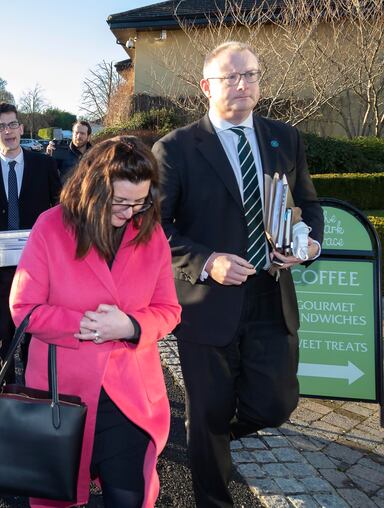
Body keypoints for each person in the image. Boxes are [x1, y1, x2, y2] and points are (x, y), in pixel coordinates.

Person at [153, 41, 323, 507]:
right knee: (208, 411)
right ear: (207, 86)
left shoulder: (284, 138)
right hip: (208, 303)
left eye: (251, 74)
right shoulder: (176, 148)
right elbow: (154, 230)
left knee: (276, 403)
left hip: (271, 294)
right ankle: (211, 488)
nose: (244, 84)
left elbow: (307, 203)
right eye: (232, 77)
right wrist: (208, 262)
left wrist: (310, 242)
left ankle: (211, 437)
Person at [11, 137, 181, 508]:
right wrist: (88, 327)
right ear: (94, 188)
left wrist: (131, 327)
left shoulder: (151, 235)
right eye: (120, 201)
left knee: (131, 498)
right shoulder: (51, 226)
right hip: (61, 394)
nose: (131, 211)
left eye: (141, 201)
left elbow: (169, 309)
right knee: (58, 498)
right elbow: (24, 307)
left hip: (131, 397)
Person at [0, 102, 61, 383]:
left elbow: (61, 207)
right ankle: (5, 397)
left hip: (38, 269)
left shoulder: (45, 165)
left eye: (12, 124)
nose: (9, 131)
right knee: (1, 339)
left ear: (21, 127)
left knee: (34, 337)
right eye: (1, 126)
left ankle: (33, 393)